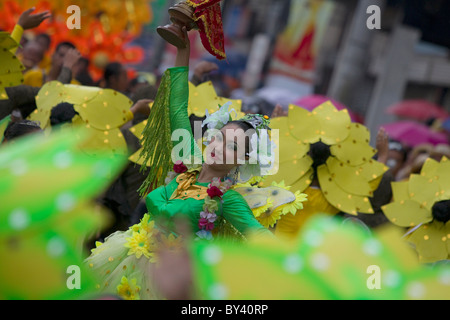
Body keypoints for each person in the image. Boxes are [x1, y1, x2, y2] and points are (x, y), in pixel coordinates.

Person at [85, 27, 278, 300]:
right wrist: (183, 51)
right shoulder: (188, 161)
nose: (220, 148)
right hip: (130, 256)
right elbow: (176, 108)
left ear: (244, 159)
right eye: (220, 138)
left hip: (169, 281)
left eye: (233, 146)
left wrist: (297, 262)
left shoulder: (228, 199)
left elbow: (257, 233)